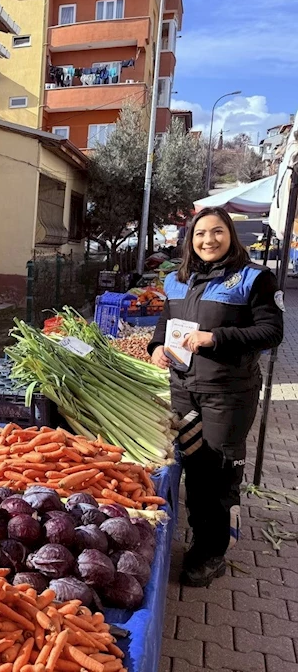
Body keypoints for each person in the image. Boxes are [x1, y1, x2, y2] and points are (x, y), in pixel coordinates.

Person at [148, 208, 283, 587]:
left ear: (231, 234)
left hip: (229, 394)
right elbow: (165, 324)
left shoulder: (254, 278)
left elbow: (272, 332)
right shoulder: (178, 279)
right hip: (185, 392)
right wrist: (156, 347)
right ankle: (202, 536)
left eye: (217, 232)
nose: (208, 240)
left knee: (220, 472)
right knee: (195, 467)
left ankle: (212, 553)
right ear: (190, 240)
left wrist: (216, 338)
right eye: (200, 234)